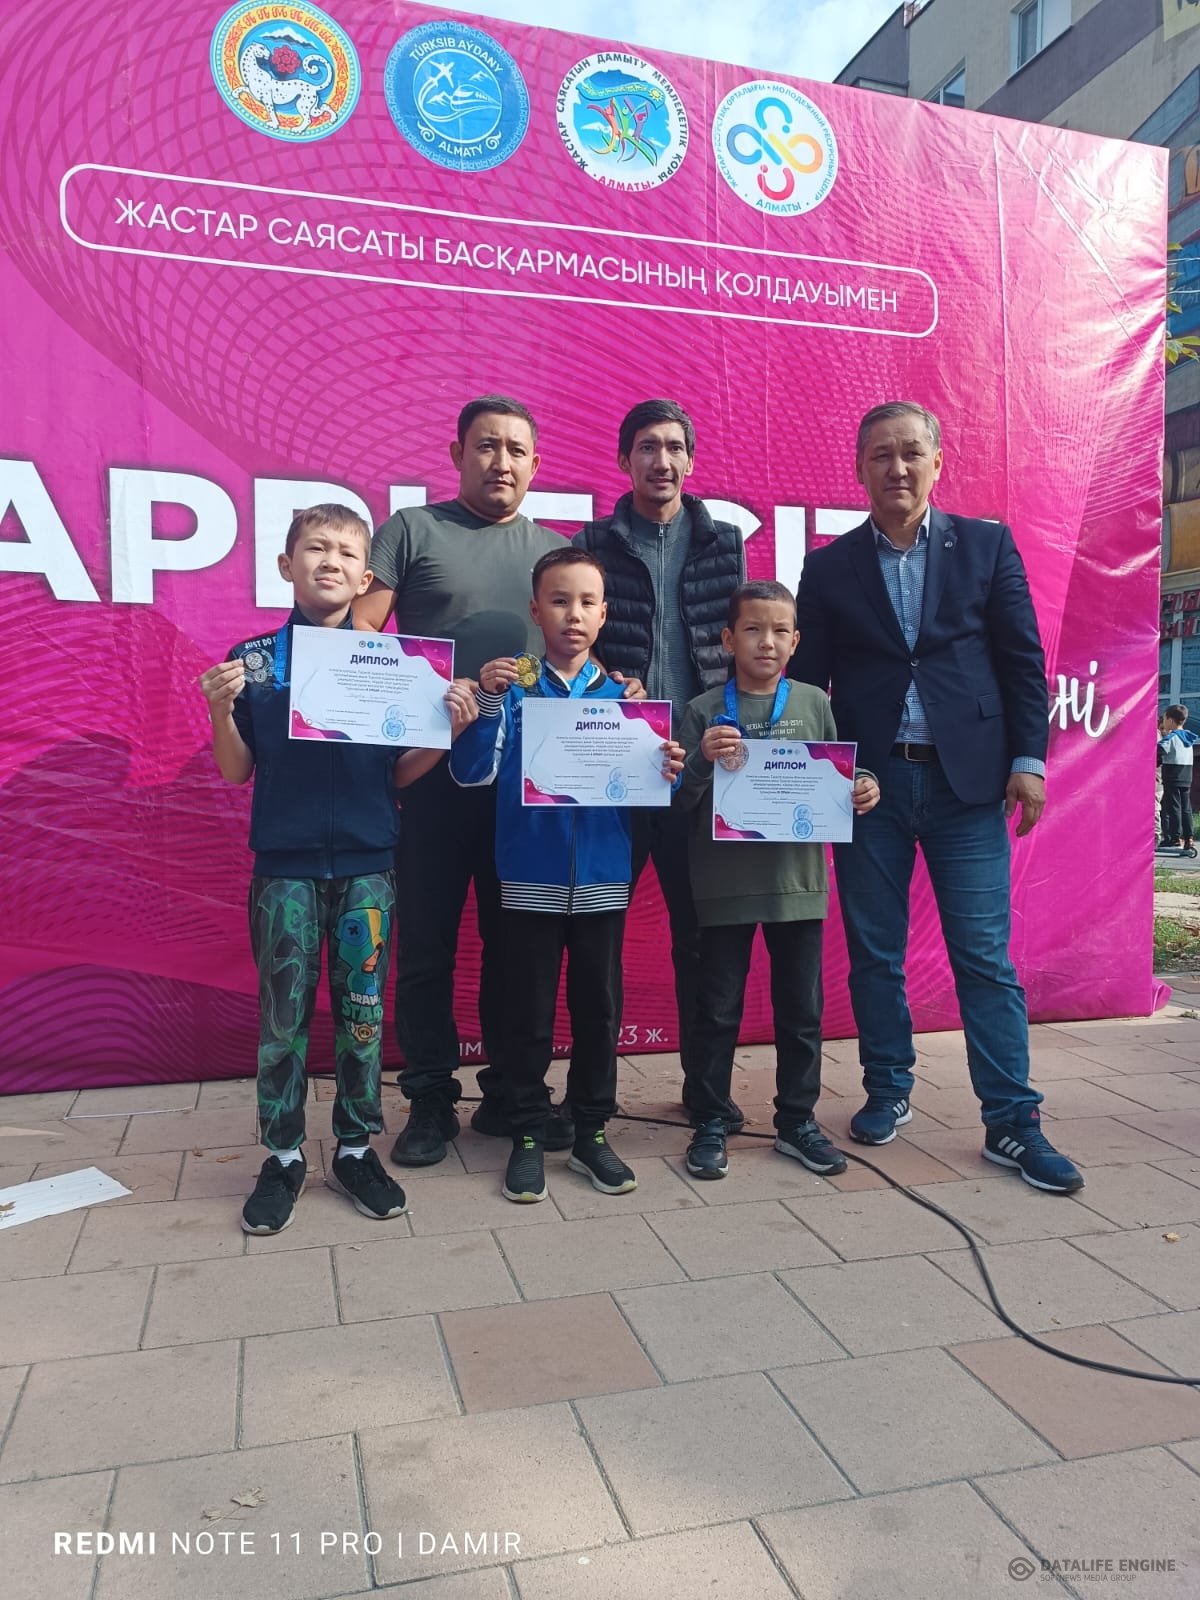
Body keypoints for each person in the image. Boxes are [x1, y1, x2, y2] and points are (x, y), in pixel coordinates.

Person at [792, 401, 1083, 1194]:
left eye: (911, 453)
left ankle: (1013, 1120)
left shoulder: (986, 546)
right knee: (875, 953)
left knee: (983, 956)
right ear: (859, 469)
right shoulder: (829, 567)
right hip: (869, 788)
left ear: (937, 463)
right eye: (881, 455)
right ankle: (888, 1087)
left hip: (969, 783)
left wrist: (1029, 761)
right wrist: (807, 774)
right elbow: (806, 687)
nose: (897, 468)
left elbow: (1022, 662)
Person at [199, 504, 478, 1235]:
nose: (331, 560)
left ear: (365, 578)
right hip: (284, 871)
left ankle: (355, 1149)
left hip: (368, 869)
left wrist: (445, 734)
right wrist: (220, 713)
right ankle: (283, 1156)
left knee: (362, 1015)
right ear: (286, 565)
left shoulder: (395, 664)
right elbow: (236, 770)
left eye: (348, 552)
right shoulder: (256, 661)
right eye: (315, 548)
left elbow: (399, 774)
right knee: (283, 1018)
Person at [353, 396, 569, 1166]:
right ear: (457, 455)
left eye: (515, 450)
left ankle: (511, 1094)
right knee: (427, 949)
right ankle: (430, 1100)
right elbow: (358, 635)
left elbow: (577, 656)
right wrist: (428, 698)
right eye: (486, 446)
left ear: (535, 465)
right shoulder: (411, 530)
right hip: (430, 779)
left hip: (524, 790)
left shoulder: (556, 553)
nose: (500, 462)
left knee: (517, 950)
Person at [449, 546, 685, 1203]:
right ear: (536, 611)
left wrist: (665, 768)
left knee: (598, 1012)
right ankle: (527, 1132)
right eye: (559, 601)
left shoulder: (626, 701)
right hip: (528, 878)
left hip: (605, 879)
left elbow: (648, 794)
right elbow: (470, 773)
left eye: (586, 602)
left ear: (604, 614)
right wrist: (487, 705)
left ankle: (591, 1133)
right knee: (526, 1013)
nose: (573, 615)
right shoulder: (516, 694)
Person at [575, 399, 745, 1124]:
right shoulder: (595, 541)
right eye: (648, 447)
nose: (663, 461)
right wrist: (608, 684)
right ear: (625, 460)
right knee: (597, 939)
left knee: (703, 945)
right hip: (620, 766)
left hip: (699, 770)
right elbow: (575, 643)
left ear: (691, 461)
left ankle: (707, 1094)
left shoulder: (725, 542)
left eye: (675, 447)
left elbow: (741, 643)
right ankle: (592, 1099)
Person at [677, 580, 880, 1180]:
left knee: (801, 1012)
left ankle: (797, 1121)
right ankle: (710, 1119)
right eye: (752, 629)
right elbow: (679, 800)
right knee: (717, 1011)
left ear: (795, 642)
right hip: (724, 886)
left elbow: (838, 775)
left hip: (798, 885)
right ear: (727, 639)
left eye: (779, 631)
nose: (766, 642)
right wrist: (700, 759)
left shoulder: (814, 703)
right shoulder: (703, 710)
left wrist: (862, 784)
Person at [1160, 705, 1195, 849]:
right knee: (1186, 807)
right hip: (1187, 775)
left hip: (1172, 775)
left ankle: (1175, 837)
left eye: (1164, 719)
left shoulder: (1171, 737)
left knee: (1173, 807)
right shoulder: (1189, 737)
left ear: (1170, 720)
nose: (1163, 722)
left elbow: (1159, 750)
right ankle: (1189, 837)